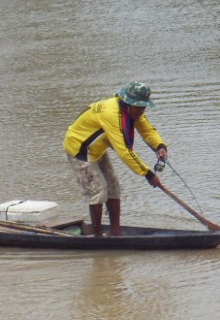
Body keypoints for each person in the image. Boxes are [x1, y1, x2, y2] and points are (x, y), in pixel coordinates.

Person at [64, 81, 169, 237]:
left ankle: (115, 232)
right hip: (80, 149)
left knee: (113, 187)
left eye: (143, 107)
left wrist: (160, 146)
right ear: (128, 103)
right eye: (138, 107)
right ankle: (98, 237)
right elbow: (124, 151)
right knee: (98, 191)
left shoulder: (132, 111)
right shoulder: (112, 114)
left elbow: (147, 130)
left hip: (98, 148)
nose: (141, 111)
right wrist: (148, 174)